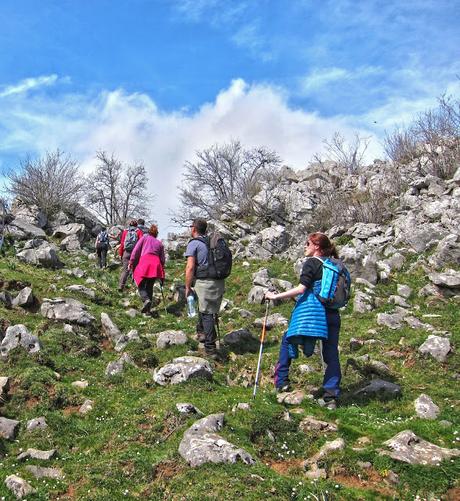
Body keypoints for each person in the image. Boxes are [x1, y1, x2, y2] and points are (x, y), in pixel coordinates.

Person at [265, 232, 342, 409]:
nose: (305, 246)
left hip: (314, 313)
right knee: (331, 353)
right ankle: (331, 396)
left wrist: (275, 296)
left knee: (287, 339)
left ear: (316, 246)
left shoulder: (312, 263)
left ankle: (281, 381)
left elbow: (301, 289)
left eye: (308, 243)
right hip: (332, 314)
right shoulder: (333, 265)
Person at [185, 218, 225, 359]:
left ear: (194, 229)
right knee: (206, 309)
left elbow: (190, 267)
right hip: (219, 282)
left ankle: (210, 348)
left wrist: (187, 287)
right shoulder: (212, 243)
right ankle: (201, 333)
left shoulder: (194, 244)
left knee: (207, 313)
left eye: (191, 227)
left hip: (205, 282)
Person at [128, 224, 165, 313]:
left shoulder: (144, 238)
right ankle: (148, 310)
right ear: (156, 234)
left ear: (149, 232)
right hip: (156, 264)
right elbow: (162, 259)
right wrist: (161, 268)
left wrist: (131, 262)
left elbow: (136, 250)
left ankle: (145, 300)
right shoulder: (159, 243)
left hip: (145, 261)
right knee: (150, 286)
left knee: (139, 282)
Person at [118, 220, 143, 291]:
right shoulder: (139, 232)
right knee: (135, 270)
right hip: (135, 253)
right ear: (136, 225)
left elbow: (122, 243)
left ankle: (121, 286)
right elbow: (141, 243)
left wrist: (120, 253)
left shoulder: (125, 231)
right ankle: (135, 287)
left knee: (125, 270)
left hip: (126, 252)